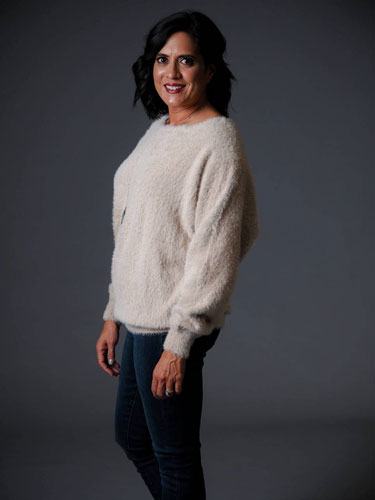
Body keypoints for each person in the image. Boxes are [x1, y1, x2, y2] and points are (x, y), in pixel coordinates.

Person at [96, 10, 260, 500]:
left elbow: (218, 247)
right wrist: (112, 314)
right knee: (132, 439)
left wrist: (180, 340)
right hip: (140, 319)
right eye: (162, 59)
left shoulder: (218, 141)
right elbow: (133, 232)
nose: (170, 72)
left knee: (175, 458)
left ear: (209, 70)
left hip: (171, 325)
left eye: (185, 60)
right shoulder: (160, 129)